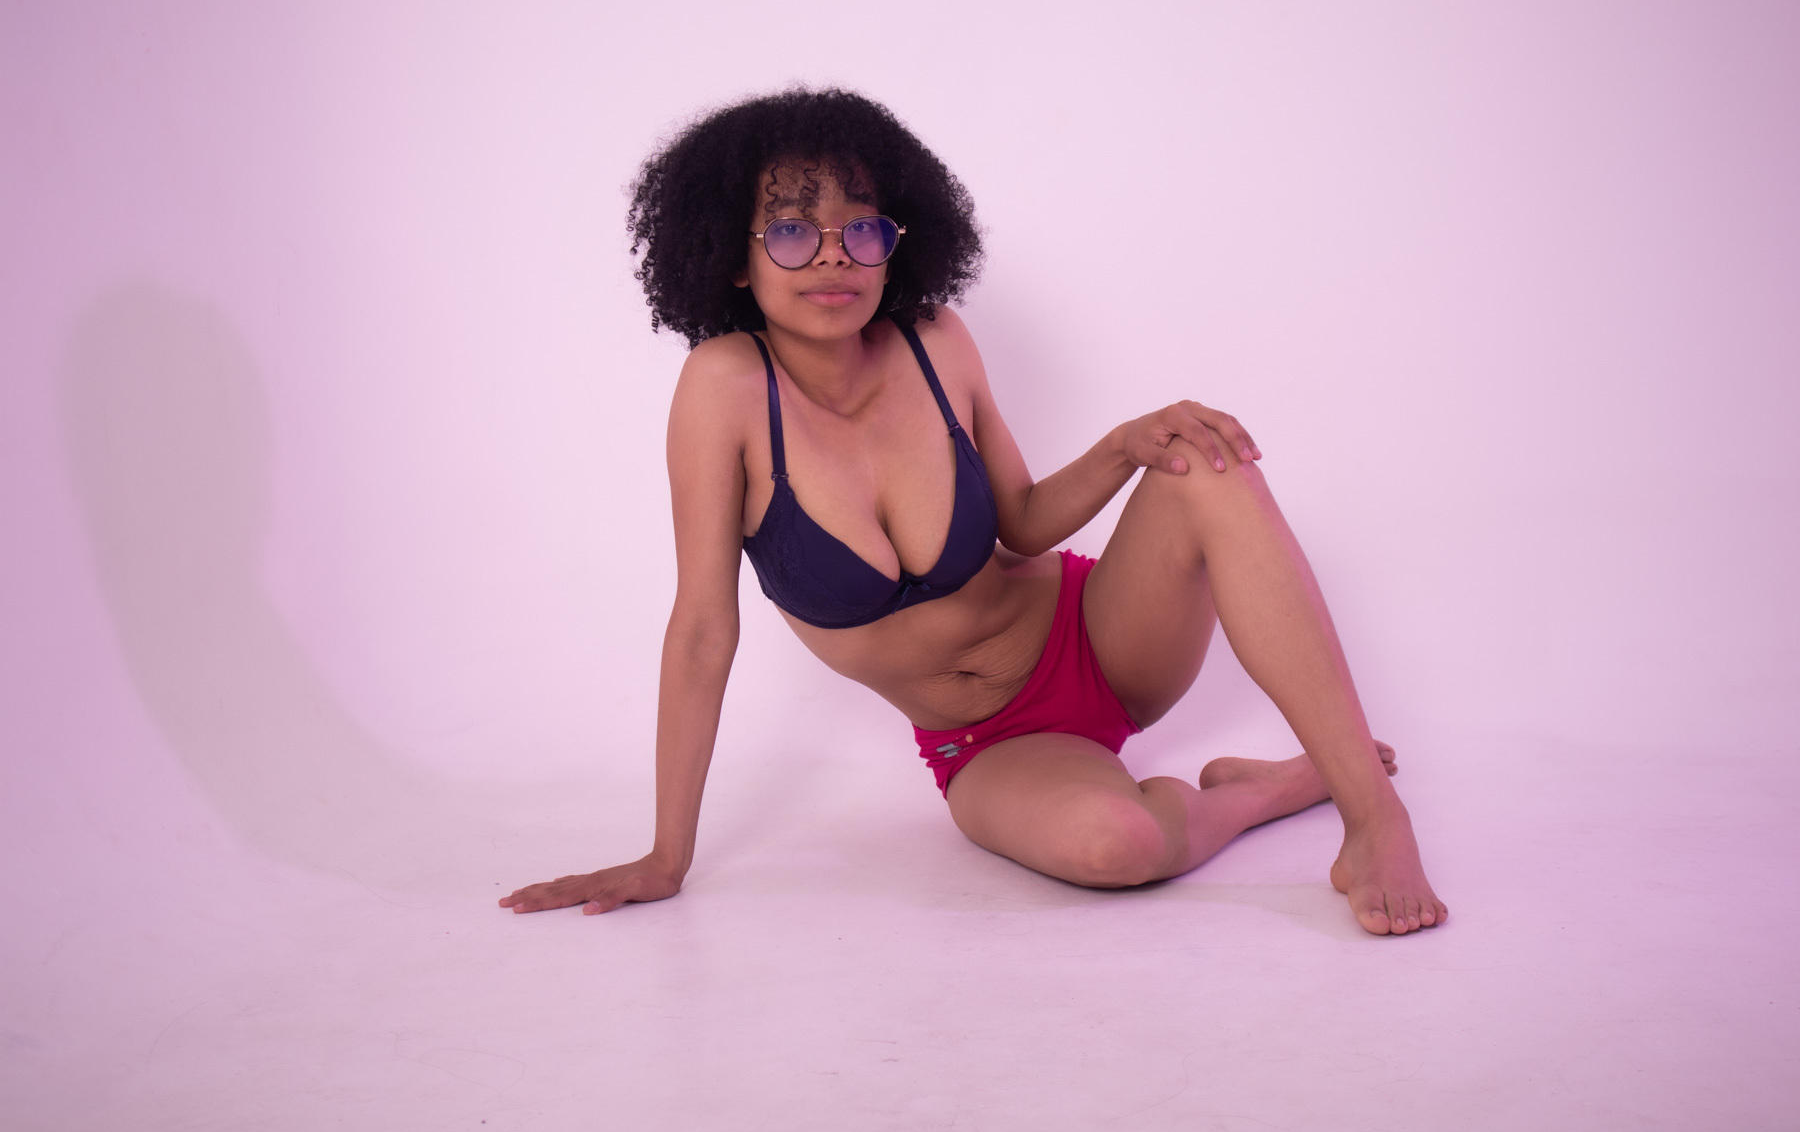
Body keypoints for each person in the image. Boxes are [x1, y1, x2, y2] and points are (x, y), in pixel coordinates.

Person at [499, 87, 1446, 935]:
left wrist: (1126, 444)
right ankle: (1260, 792)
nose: (833, 255)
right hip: (993, 740)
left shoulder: (934, 340)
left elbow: (1021, 523)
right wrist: (666, 857)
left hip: (1105, 640)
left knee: (1203, 458)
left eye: (861, 229)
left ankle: (1374, 817)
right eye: (790, 230)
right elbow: (705, 629)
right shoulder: (724, 390)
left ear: (895, 242)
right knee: (1116, 848)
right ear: (733, 258)